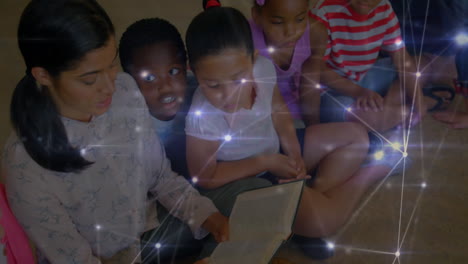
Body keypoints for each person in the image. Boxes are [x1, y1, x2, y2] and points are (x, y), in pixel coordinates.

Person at [3, 0, 228, 263]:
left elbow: (160, 178)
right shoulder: (25, 165)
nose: (110, 87)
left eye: (111, 65)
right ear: (43, 76)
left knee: (245, 199)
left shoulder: (126, 90)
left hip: (148, 234)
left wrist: (210, 218)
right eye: (89, 79)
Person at [184, 0, 393, 260]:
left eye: (239, 79)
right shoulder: (201, 116)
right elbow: (204, 177)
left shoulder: (263, 69)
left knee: (356, 137)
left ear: (254, 57)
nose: (229, 96)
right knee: (324, 222)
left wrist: (294, 153)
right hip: (247, 181)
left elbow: (279, 113)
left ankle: (308, 201)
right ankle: (365, 175)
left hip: (276, 152)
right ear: (192, 72)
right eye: (212, 85)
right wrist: (268, 162)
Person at [118, 17, 275, 260]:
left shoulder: (205, 91)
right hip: (157, 216)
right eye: (149, 78)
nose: (166, 87)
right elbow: (160, 187)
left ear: (188, 68)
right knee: (152, 251)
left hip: (197, 197)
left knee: (259, 194)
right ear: (128, 81)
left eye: (173, 71)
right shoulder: (129, 127)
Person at [307, 0, 425, 132]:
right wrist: (359, 92)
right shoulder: (324, 11)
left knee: (418, 65)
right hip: (331, 91)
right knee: (367, 120)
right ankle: (400, 110)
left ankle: (388, 105)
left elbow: (402, 59)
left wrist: (419, 104)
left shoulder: (384, 8)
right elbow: (317, 69)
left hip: (365, 77)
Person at [390, 0, 468, 129]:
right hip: (406, 46)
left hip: (439, 50)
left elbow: (461, 35)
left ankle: (434, 97)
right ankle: (434, 97)